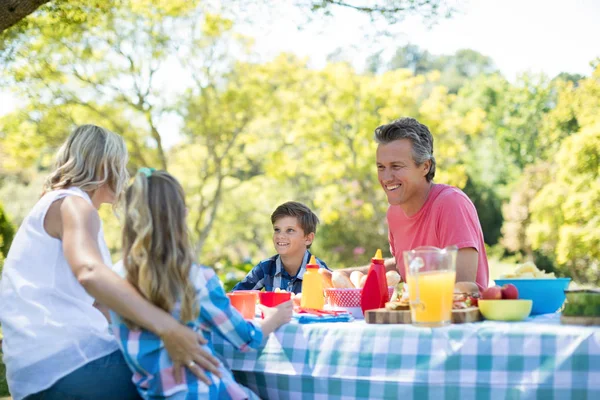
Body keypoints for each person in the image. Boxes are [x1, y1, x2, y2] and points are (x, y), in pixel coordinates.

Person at [0, 125, 220, 400]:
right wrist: (169, 328)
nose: (125, 175)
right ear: (105, 166)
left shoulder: (53, 205)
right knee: (194, 376)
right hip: (72, 363)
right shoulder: (74, 205)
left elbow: (101, 304)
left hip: (34, 374)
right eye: (122, 165)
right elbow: (90, 272)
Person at [110, 169, 293, 399]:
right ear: (180, 217)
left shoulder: (113, 279)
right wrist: (276, 316)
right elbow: (246, 339)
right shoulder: (194, 278)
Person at [342, 117, 489, 289]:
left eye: (396, 166)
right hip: (419, 313)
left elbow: (464, 287)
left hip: (457, 315)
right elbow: (402, 268)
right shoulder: (394, 212)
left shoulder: (451, 203)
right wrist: (346, 274)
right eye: (381, 167)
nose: (386, 177)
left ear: (425, 166)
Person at [232, 201, 329, 294]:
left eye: (290, 230)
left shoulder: (320, 271)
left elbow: (338, 306)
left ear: (308, 238)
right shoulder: (265, 268)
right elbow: (235, 296)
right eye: (277, 230)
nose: (280, 236)